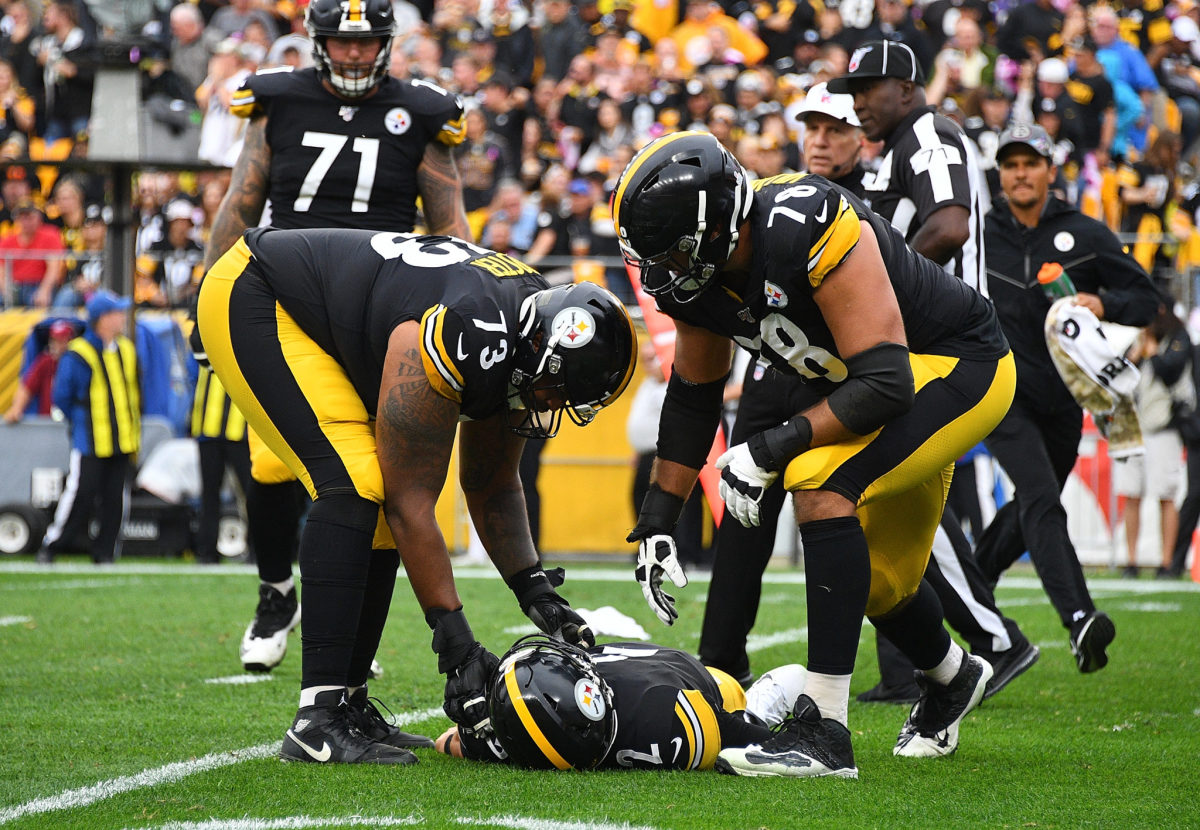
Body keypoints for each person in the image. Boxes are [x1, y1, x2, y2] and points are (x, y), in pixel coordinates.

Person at [613, 131, 1015, 778]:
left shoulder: (806, 222)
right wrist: (659, 518)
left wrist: (770, 447)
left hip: (957, 366)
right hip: (875, 386)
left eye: (674, 249)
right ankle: (951, 674)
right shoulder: (693, 280)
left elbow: (886, 381)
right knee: (879, 582)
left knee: (816, 481)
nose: (663, 269)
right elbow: (693, 396)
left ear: (714, 229)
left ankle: (824, 731)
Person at [198, 227, 636, 765]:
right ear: (539, 351)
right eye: (559, 388)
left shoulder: (525, 331)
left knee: (375, 499)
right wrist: (456, 643)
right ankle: (317, 719)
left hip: (322, 315)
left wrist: (536, 592)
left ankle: (348, 703)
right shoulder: (467, 330)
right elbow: (411, 502)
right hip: (257, 291)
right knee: (359, 483)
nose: (555, 403)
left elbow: (492, 485)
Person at [199, 0, 471, 676]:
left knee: (376, 477)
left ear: (385, 44)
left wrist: (457, 309)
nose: (353, 56)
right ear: (317, 43)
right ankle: (276, 593)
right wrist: (206, 301)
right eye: (340, 44)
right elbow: (241, 199)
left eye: (366, 43)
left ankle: (351, 638)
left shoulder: (425, 111)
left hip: (380, 308)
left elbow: (450, 225)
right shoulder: (278, 99)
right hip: (282, 299)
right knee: (269, 466)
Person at [830, 40, 1034, 703]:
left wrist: (880, 291)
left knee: (886, 485)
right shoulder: (898, 146)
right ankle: (938, 657)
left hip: (945, 347)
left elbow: (949, 226)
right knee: (893, 493)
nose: (858, 101)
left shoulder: (928, 134)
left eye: (871, 87)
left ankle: (995, 640)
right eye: (853, 89)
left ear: (909, 89)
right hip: (926, 344)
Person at [975, 123, 1160, 672]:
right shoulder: (978, 234)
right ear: (1000, 174)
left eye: (1030, 162)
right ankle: (1080, 620)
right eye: (1010, 165)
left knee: (1033, 507)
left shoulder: (1087, 232)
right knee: (1040, 497)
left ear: (1050, 170)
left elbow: (1145, 299)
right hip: (1000, 392)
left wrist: (1101, 302)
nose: (1020, 173)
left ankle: (970, 589)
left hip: (1065, 401)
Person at [436, 634, 808, 770]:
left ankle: (759, 700)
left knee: (735, 694)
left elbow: (447, 742)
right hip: (658, 684)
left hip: (687, 674)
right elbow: (447, 740)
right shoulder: (661, 722)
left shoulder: (666, 714)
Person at [40, 290, 140, 565]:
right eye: (117, 313)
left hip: (122, 439)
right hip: (90, 439)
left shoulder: (126, 350)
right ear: (103, 319)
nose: (122, 318)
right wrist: (82, 424)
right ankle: (53, 546)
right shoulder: (80, 353)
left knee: (115, 500)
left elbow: (133, 394)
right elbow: (63, 396)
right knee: (81, 494)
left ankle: (105, 553)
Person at [1117, 306, 1193, 578]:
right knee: (1131, 494)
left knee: (1165, 495)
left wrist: (1152, 354)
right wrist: (1135, 357)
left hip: (1164, 429)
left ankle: (1166, 561)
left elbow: (1171, 371)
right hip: (1134, 429)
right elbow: (1117, 375)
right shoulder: (1138, 340)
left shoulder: (1177, 338)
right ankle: (1131, 560)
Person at [189, 360, 251, 565]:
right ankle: (206, 552)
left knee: (252, 494)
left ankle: (259, 550)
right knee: (209, 494)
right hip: (208, 428)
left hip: (241, 428)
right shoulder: (204, 335)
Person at [3, 318, 75, 422]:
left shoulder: (76, 363)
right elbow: (26, 388)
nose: (55, 345)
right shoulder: (46, 362)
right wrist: (16, 409)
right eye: (53, 340)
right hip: (47, 424)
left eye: (60, 341)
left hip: (72, 422)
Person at [0, 199, 66, 308]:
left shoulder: (50, 235)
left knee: (37, 302)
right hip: (14, 286)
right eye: (22, 217)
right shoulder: (7, 240)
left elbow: (54, 268)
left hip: (38, 285)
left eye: (30, 217)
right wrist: (5, 289)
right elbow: (1, 269)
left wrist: (45, 290)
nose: (26, 222)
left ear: (39, 218)